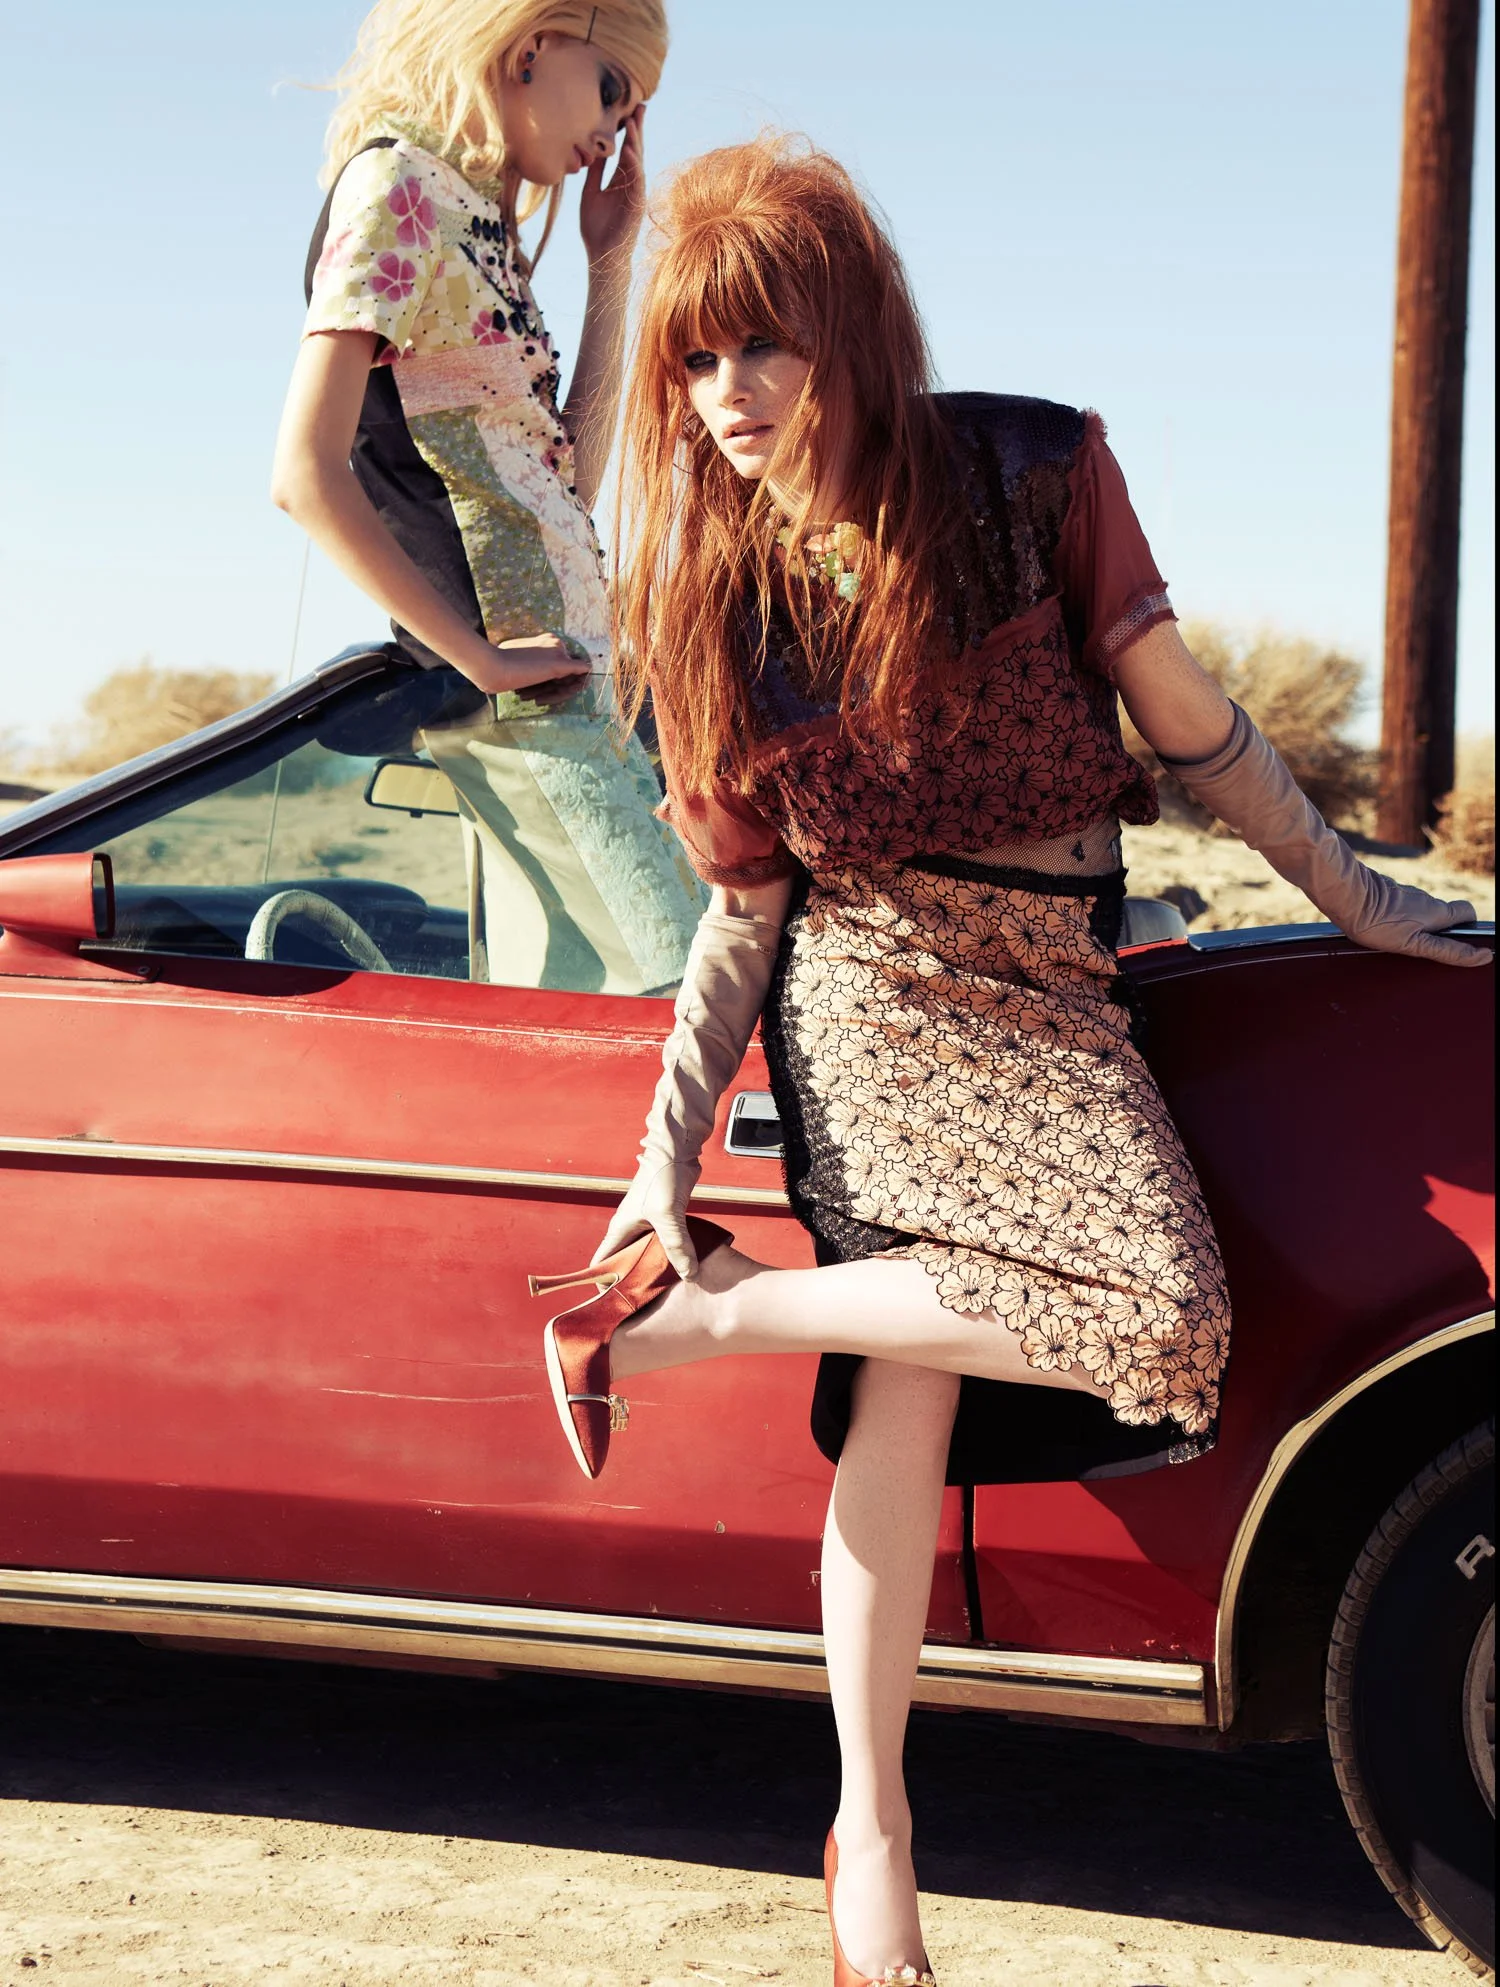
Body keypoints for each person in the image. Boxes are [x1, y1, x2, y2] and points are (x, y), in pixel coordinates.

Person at [527, 137, 1490, 1984]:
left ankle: (694, 1325)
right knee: (921, 1391)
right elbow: (743, 908)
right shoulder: (707, 592)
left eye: (768, 349)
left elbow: (1195, 729)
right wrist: (659, 1172)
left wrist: (1358, 892)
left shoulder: (1032, 463)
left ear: (852, 335)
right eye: (699, 361)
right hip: (875, 989)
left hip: (1057, 980)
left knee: (1151, 1323)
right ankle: (870, 1825)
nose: (731, 397)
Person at [272, 0, 704, 995]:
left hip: (574, 694)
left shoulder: (477, 221)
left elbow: (569, 488)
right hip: (527, 710)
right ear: (529, 44)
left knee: (601, 1054)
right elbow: (303, 471)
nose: (613, 132)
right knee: (690, 1021)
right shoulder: (399, 188)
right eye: (610, 89)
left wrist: (609, 263)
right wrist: (473, 657)